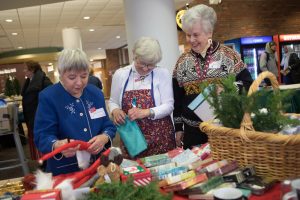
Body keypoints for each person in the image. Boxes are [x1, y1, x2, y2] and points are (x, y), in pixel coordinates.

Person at [172, 4, 253, 149]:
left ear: (209, 33)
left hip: (224, 130)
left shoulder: (229, 55)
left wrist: (228, 87)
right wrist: (178, 128)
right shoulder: (181, 61)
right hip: (192, 132)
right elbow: (177, 99)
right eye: (188, 35)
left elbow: (248, 84)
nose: (191, 40)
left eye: (196, 35)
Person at [34, 49, 116, 176]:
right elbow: (42, 136)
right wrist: (57, 145)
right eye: (72, 77)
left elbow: (107, 125)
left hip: (99, 166)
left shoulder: (96, 94)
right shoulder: (49, 97)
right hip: (66, 170)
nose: (79, 82)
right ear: (60, 74)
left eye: (84, 76)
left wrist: (104, 137)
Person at [108, 36, 176, 158]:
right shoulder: (121, 74)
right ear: (134, 54)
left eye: (150, 65)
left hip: (161, 138)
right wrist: (115, 110)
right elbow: (113, 101)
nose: (145, 68)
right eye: (142, 63)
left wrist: (146, 112)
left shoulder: (162, 73)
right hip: (132, 139)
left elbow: (169, 105)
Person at [21, 61, 52, 161]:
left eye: (26, 69)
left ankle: (46, 162)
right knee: (37, 142)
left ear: (32, 69)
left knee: (44, 141)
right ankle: (42, 162)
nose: (24, 71)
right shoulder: (29, 81)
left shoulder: (44, 81)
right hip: (32, 117)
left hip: (41, 117)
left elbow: (51, 100)